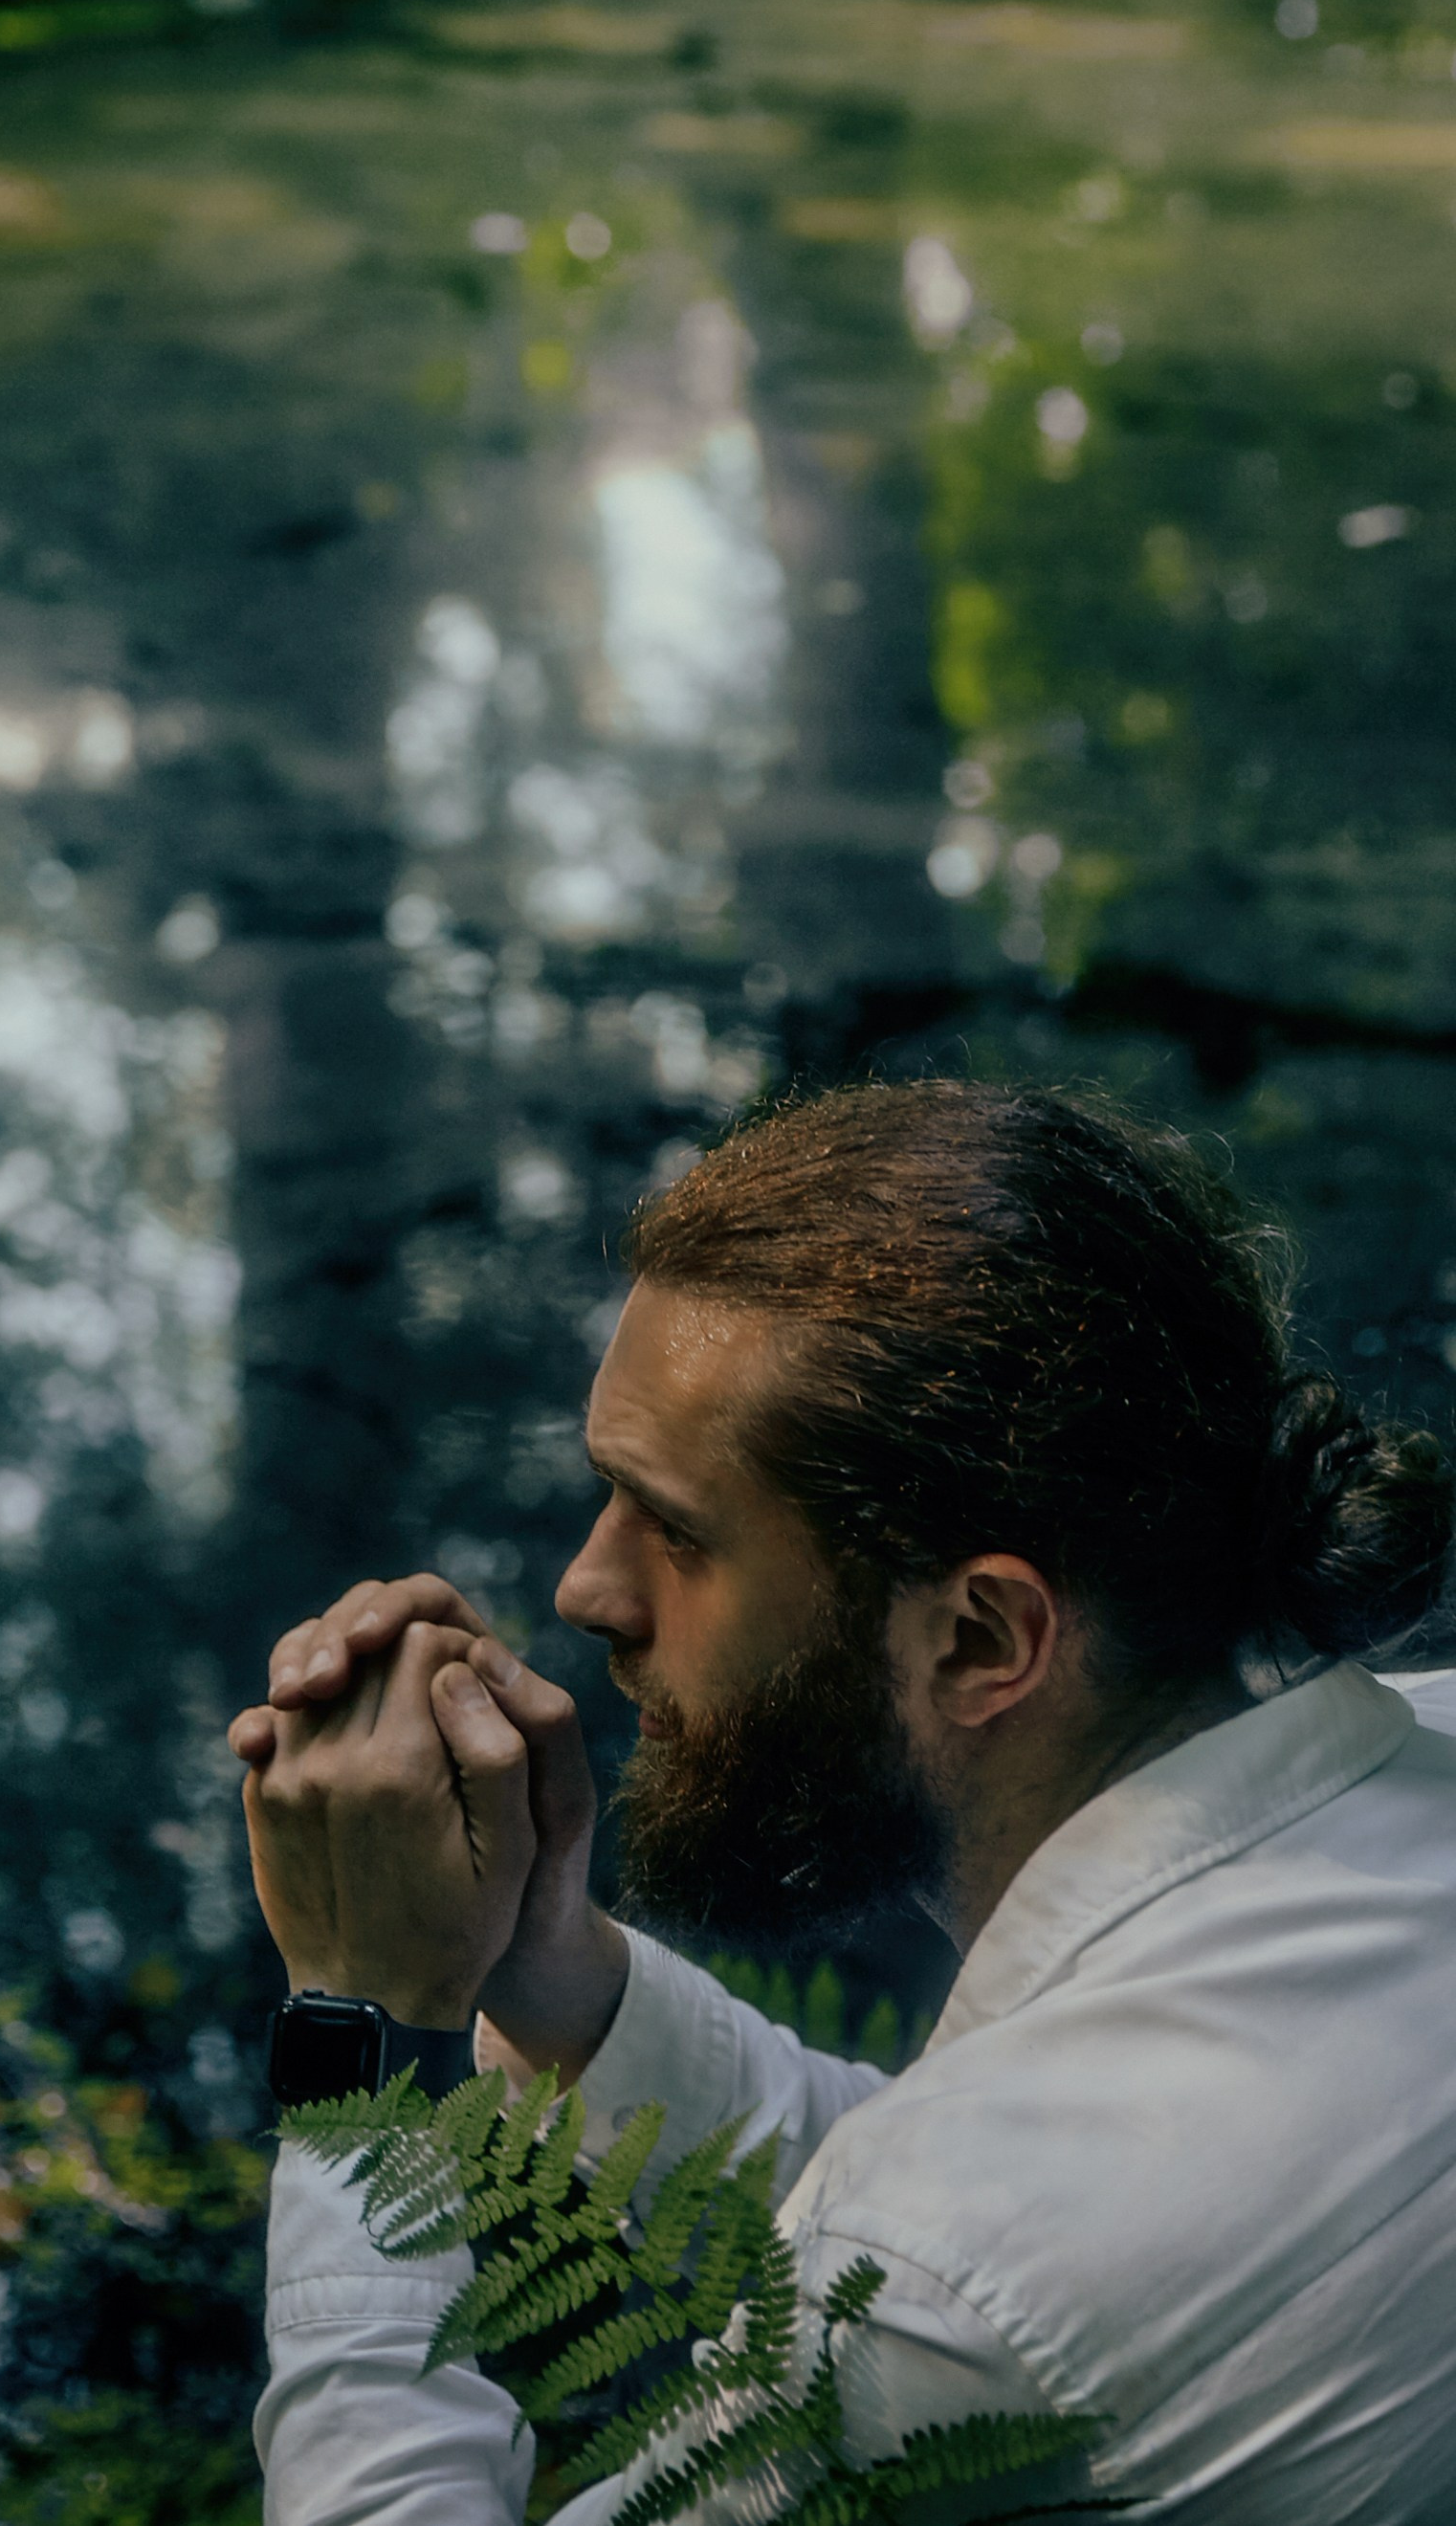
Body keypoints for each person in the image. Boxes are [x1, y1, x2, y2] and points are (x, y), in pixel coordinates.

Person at [229, 1079, 1456, 2522]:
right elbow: (981, 2189)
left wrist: (364, 2042)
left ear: (981, 1639)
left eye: (673, 1527)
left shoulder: (945, 2314)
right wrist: (557, 1969)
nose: (583, 1588)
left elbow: (954, 2261)